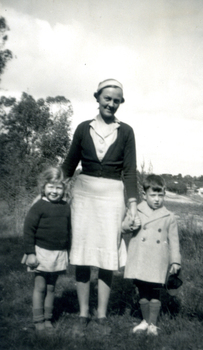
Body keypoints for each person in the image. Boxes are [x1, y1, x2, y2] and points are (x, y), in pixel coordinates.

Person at [61, 79, 138, 332]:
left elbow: (129, 171)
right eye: (107, 98)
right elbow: (70, 164)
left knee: (107, 257)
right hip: (84, 196)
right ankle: (83, 313)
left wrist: (133, 204)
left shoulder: (126, 131)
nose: (111, 104)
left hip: (113, 197)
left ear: (120, 103)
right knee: (82, 255)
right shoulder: (84, 128)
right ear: (98, 98)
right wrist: (50, 189)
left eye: (116, 100)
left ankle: (102, 316)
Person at [122, 174, 181, 336]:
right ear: (144, 195)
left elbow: (174, 241)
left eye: (160, 195)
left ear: (164, 195)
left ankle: (152, 324)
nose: (156, 199)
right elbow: (124, 228)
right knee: (142, 291)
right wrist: (131, 223)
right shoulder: (136, 210)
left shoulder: (169, 216)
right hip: (140, 257)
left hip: (158, 259)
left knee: (155, 292)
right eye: (152, 195)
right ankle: (144, 321)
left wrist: (176, 261)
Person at [22, 167, 71, 331]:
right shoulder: (39, 206)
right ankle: (38, 320)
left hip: (58, 253)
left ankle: (48, 319)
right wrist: (30, 253)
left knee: (51, 288)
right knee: (40, 287)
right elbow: (28, 230)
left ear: (64, 189)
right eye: (51, 186)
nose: (54, 191)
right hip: (40, 252)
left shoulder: (66, 207)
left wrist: (68, 251)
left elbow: (68, 230)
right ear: (43, 187)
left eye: (58, 187)